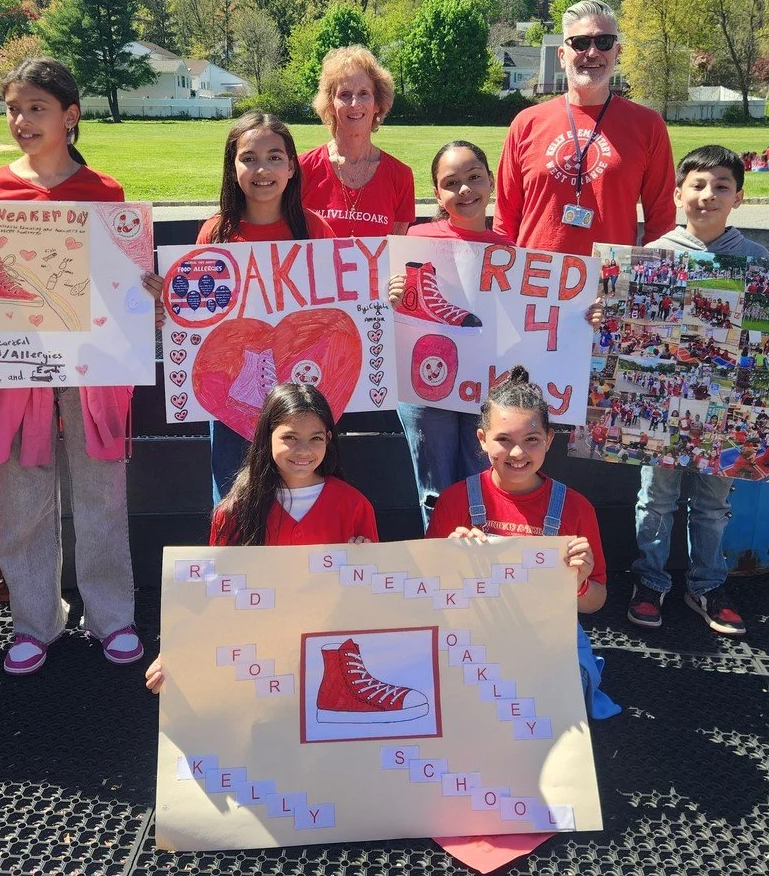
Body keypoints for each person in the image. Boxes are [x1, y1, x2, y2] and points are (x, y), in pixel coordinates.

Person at [0, 58, 151, 675]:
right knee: (21, 494)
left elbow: (120, 279)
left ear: (70, 117)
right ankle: (34, 620)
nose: (21, 120)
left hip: (92, 366)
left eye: (36, 108)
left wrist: (141, 287)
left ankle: (111, 616)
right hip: (17, 365)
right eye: (13, 109)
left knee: (101, 490)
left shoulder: (105, 193)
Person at [144, 383, 377, 692]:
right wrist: (177, 653)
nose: (303, 450)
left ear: (328, 440)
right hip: (260, 655)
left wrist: (366, 562)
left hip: (328, 651)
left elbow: (372, 596)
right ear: (266, 438)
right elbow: (216, 595)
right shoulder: (236, 510)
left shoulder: (354, 505)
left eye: (315, 439)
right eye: (290, 438)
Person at [627, 146, 769, 637]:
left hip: (727, 409)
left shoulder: (757, 259)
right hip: (664, 406)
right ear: (677, 193)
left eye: (722, 186)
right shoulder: (656, 255)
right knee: (656, 497)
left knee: (713, 503)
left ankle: (708, 583)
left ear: (739, 197)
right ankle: (650, 581)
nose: (709, 196)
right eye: (699, 185)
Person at [426, 366, 618, 719]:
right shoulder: (455, 501)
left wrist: (577, 584)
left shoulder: (576, 508)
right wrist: (448, 559)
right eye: (503, 439)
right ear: (482, 440)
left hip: (548, 634)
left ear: (549, 440)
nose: (517, 453)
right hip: (474, 630)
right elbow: (428, 595)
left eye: (531, 440)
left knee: (568, 684)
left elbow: (596, 602)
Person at [198, 112, 335, 502]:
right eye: (249, 158)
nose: (262, 169)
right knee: (232, 497)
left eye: (275, 157)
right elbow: (202, 315)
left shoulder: (316, 229)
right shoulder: (216, 231)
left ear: (292, 166)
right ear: (233, 166)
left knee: (299, 496)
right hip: (233, 393)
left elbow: (333, 312)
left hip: (300, 394)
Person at [388, 141, 507, 530]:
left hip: (484, 386)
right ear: (437, 192)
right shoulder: (416, 241)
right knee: (435, 492)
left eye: (474, 178)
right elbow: (387, 311)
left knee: (484, 485)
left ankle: (482, 576)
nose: (465, 190)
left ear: (490, 181)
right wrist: (392, 294)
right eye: (451, 183)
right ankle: (442, 571)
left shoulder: (509, 250)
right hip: (425, 385)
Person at [494, 0, 675, 255]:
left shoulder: (647, 125)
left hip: (607, 285)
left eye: (604, 42)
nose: (592, 53)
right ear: (561, 55)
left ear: (617, 52)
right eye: (580, 42)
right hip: (533, 284)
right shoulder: (526, 123)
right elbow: (505, 216)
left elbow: (661, 222)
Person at [297, 46, 414, 237]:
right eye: (344, 94)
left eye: (364, 93)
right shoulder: (303, 168)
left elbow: (395, 254)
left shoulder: (400, 177)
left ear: (377, 104)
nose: (354, 103)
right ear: (331, 104)